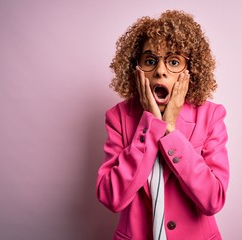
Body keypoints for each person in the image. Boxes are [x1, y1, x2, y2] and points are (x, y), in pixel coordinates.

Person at [96, 10, 229, 240]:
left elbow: (213, 200)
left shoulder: (211, 116)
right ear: (135, 70)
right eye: (150, 61)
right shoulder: (118, 117)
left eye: (173, 61)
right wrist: (151, 125)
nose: (160, 70)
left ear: (190, 71)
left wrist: (170, 130)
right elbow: (111, 198)